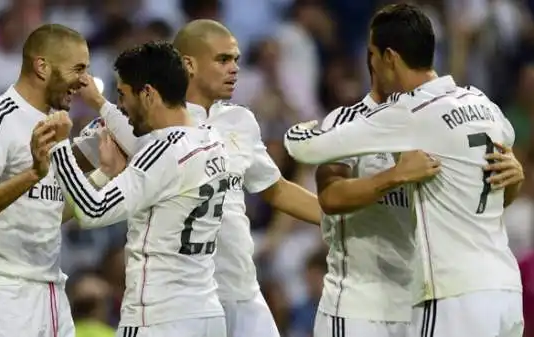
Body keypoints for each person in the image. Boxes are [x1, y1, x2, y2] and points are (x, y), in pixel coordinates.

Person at [284, 4, 524, 337]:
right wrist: (516, 170)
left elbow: (303, 147)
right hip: (499, 290)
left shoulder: (413, 110)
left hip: (446, 293)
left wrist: (301, 130)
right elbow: (329, 198)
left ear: (389, 57)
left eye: (371, 52)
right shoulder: (482, 103)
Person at [76, 19, 321, 337]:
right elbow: (82, 169)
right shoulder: (142, 119)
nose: (234, 68)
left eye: (236, 60)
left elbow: (275, 190)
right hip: (179, 302)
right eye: (223, 60)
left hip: (241, 292)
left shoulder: (239, 120)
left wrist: (339, 218)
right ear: (188, 64)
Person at [47, 41, 230, 337]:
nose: (120, 106)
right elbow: (150, 148)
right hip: (206, 314)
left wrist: (59, 146)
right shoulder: (211, 140)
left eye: (122, 95)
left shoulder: (160, 153)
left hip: (157, 318)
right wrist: (100, 104)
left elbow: (91, 211)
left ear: (148, 94)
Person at [0, 24, 104, 337]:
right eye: (77, 68)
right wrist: (34, 173)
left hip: (51, 293)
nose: (84, 80)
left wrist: (103, 173)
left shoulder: (55, 125)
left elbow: (47, 209)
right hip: (0, 292)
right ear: (41, 66)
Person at [312, 58, 440, 336]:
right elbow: (330, 198)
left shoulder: (429, 127)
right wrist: (396, 175)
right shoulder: (348, 121)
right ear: (383, 60)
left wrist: (511, 179)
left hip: (416, 306)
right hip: (358, 308)